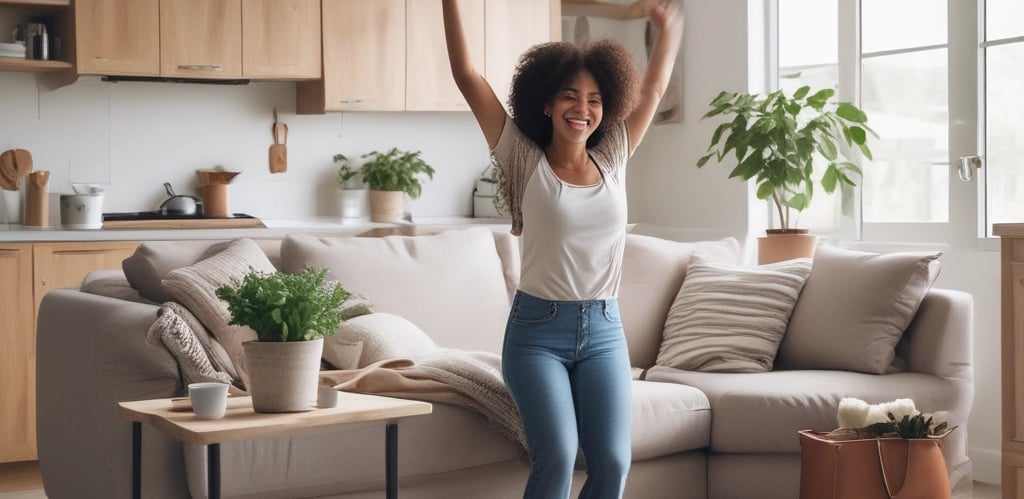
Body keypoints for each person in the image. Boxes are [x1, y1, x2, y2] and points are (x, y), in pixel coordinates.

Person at [442, 1, 683, 498]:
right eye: (570, 96)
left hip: (604, 332)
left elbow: (654, 88)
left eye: (595, 99)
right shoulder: (522, 158)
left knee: (614, 463)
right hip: (536, 336)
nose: (583, 108)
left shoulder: (614, 152)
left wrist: (669, 28)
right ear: (547, 103)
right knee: (556, 456)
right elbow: (467, 75)